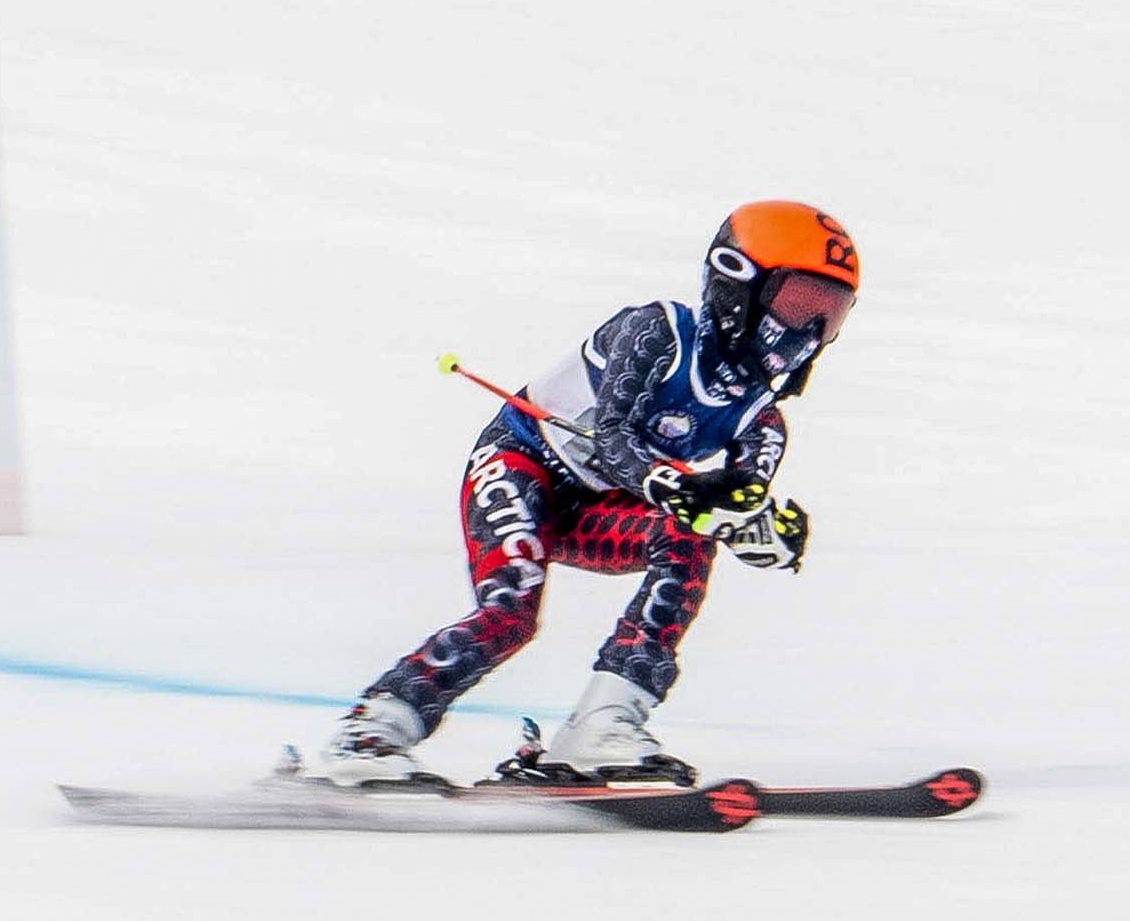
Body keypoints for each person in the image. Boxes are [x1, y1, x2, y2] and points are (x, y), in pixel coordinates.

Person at [318, 201, 860, 786]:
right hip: (522, 465)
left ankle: (603, 726)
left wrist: (763, 533)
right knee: (510, 613)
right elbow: (612, 436)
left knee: (686, 538)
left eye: (829, 316)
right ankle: (373, 729)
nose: (808, 333)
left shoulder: (764, 420)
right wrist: (678, 487)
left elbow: (736, 503)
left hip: (595, 511)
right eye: (801, 302)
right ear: (737, 281)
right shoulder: (657, 332)